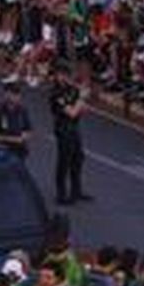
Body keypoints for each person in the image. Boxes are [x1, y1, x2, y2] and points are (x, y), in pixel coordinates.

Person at [50, 63, 92, 205]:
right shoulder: (56, 94)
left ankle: (76, 191)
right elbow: (72, 113)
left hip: (74, 127)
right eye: (62, 75)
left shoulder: (71, 90)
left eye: (67, 75)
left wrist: (82, 99)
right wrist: (80, 100)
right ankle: (61, 194)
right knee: (64, 161)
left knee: (78, 158)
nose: (65, 78)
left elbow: (84, 109)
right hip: (63, 128)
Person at [0, 78, 32, 159]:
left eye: (18, 94)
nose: (16, 97)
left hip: (19, 151)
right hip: (2, 150)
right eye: (13, 94)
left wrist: (25, 136)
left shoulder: (22, 111)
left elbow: (28, 129)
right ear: (6, 94)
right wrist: (13, 139)